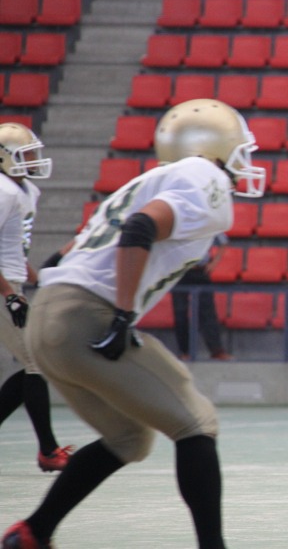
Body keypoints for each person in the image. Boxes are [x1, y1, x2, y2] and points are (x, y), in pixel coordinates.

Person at [2, 99, 265, 549]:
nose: (245, 161)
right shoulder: (207, 179)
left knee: (129, 437)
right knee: (196, 422)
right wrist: (122, 314)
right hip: (85, 315)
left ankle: (32, 533)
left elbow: (56, 260)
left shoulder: (148, 181)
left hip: (49, 316)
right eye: (240, 149)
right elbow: (141, 228)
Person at [0, 123, 72, 473]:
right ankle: (48, 450)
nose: (33, 159)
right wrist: (9, 294)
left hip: (12, 282)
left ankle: (48, 450)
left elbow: (14, 250)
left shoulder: (25, 190)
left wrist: (40, 279)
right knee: (37, 363)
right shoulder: (3, 191)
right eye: (25, 154)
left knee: (35, 363)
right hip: (3, 287)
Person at [172, 234, 231, 361]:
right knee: (180, 312)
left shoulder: (208, 224)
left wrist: (214, 262)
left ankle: (216, 350)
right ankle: (185, 351)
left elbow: (223, 242)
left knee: (208, 311)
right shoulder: (178, 224)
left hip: (201, 270)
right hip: (180, 271)